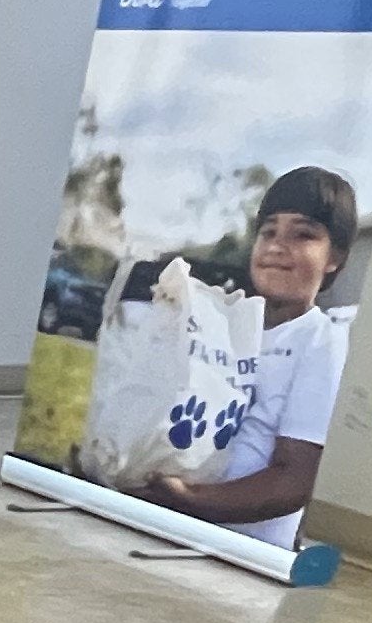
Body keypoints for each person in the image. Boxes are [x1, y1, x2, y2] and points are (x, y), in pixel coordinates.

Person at [134, 165, 358, 549]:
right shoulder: (223, 326)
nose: (276, 246)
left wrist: (191, 499)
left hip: (235, 552)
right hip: (172, 526)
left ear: (334, 257)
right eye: (268, 231)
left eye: (302, 234)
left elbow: (295, 479)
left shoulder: (321, 343)